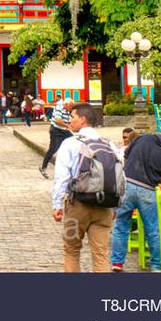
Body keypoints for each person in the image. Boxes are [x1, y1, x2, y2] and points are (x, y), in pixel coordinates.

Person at [50, 103, 118, 272]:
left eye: (72, 117)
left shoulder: (70, 143)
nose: (70, 120)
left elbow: (62, 176)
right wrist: (116, 205)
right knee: (101, 253)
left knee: (71, 250)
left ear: (82, 119)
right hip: (104, 208)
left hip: (77, 207)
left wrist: (57, 204)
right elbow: (120, 176)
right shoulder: (109, 144)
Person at [110, 124, 161, 272]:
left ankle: (117, 262)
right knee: (153, 229)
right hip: (148, 191)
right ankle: (156, 265)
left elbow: (126, 155)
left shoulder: (143, 139)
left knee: (121, 225)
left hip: (128, 186)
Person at [40, 97, 75, 177]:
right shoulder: (59, 108)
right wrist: (68, 126)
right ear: (66, 104)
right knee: (53, 149)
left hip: (64, 131)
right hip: (56, 131)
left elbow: (70, 120)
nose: (71, 108)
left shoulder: (67, 111)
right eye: (71, 106)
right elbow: (58, 120)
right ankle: (43, 167)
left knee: (74, 143)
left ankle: (72, 167)